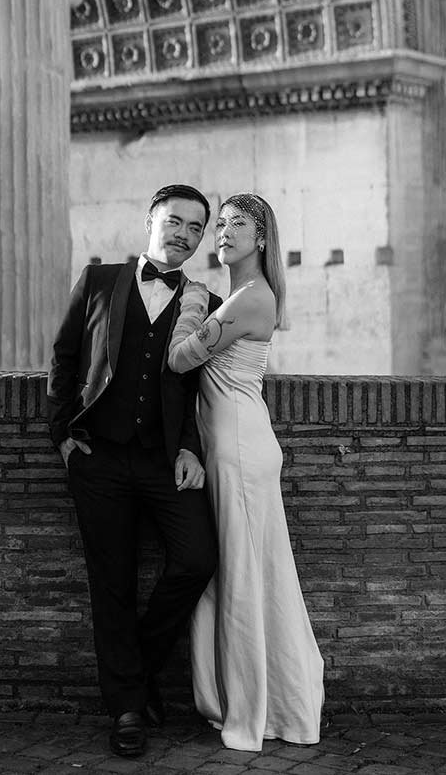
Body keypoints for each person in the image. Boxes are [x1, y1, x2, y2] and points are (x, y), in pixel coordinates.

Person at [48, 184, 223, 759]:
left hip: (164, 460)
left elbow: (202, 389)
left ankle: (139, 671)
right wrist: (62, 433)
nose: (185, 235)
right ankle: (127, 708)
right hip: (97, 457)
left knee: (197, 558)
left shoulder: (205, 301)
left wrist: (191, 448)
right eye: (175, 221)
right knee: (112, 582)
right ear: (150, 220)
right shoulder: (98, 281)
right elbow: (64, 357)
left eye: (196, 228)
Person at [168, 193, 324, 752]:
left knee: (244, 581)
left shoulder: (252, 297)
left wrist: (190, 302)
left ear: (261, 238)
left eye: (238, 224)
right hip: (228, 446)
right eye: (221, 224)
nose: (224, 233)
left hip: (239, 450)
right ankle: (239, 699)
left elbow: (180, 358)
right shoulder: (240, 295)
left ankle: (257, 711)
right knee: (238, 576)